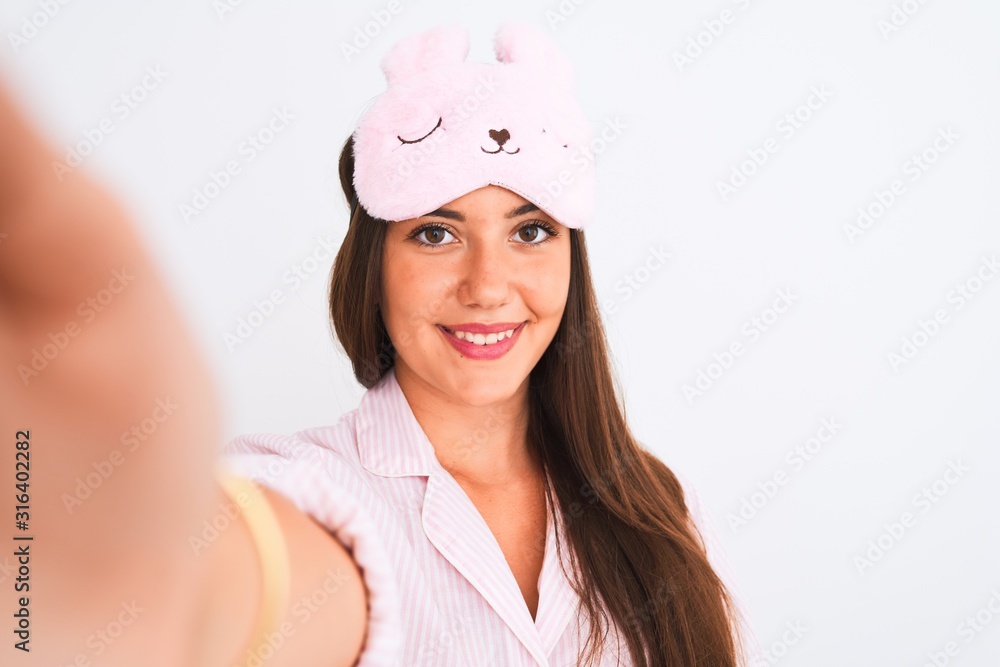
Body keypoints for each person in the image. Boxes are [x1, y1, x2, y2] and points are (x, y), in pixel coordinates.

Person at [0, 19, 758, 667]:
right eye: (436, 233)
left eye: (530, 231)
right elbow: (241, 586)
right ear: (375, 265)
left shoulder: (664, 509)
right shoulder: (308, 489)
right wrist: (138, 571)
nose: (487, 286)